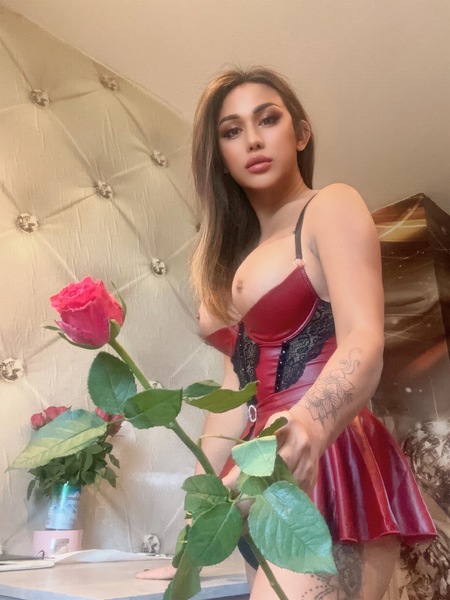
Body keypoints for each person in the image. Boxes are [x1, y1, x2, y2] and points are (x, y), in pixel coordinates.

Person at [137, 66, 436, 599]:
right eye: (232, 131)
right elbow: (234, 396)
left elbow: (363, 339)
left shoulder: (330, 206)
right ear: (219, 156)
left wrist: (307, 428)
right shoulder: (230, 259)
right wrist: (195, 525)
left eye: (268, 119)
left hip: (326, 460)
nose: (252, 139)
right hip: (252, 482)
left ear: (300, 134)